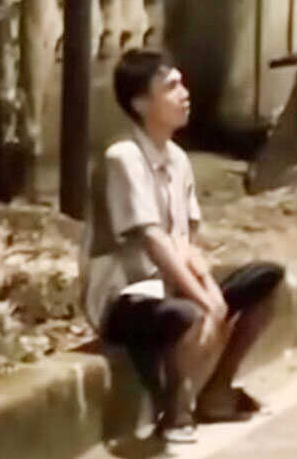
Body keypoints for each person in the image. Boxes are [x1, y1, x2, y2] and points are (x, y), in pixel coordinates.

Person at [79, 49, 285, 442]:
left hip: (168, 284)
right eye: (171, 86)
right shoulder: (123, 157)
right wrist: (204, 301)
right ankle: (174, 408)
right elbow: (152, 239)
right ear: (141, 103)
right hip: (122, 294)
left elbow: (185, 242)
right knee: (190, 314)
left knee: (267, 280)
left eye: (182, 84)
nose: (184, 93)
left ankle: (217, 391)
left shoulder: (178, 159)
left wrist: (209, 291)